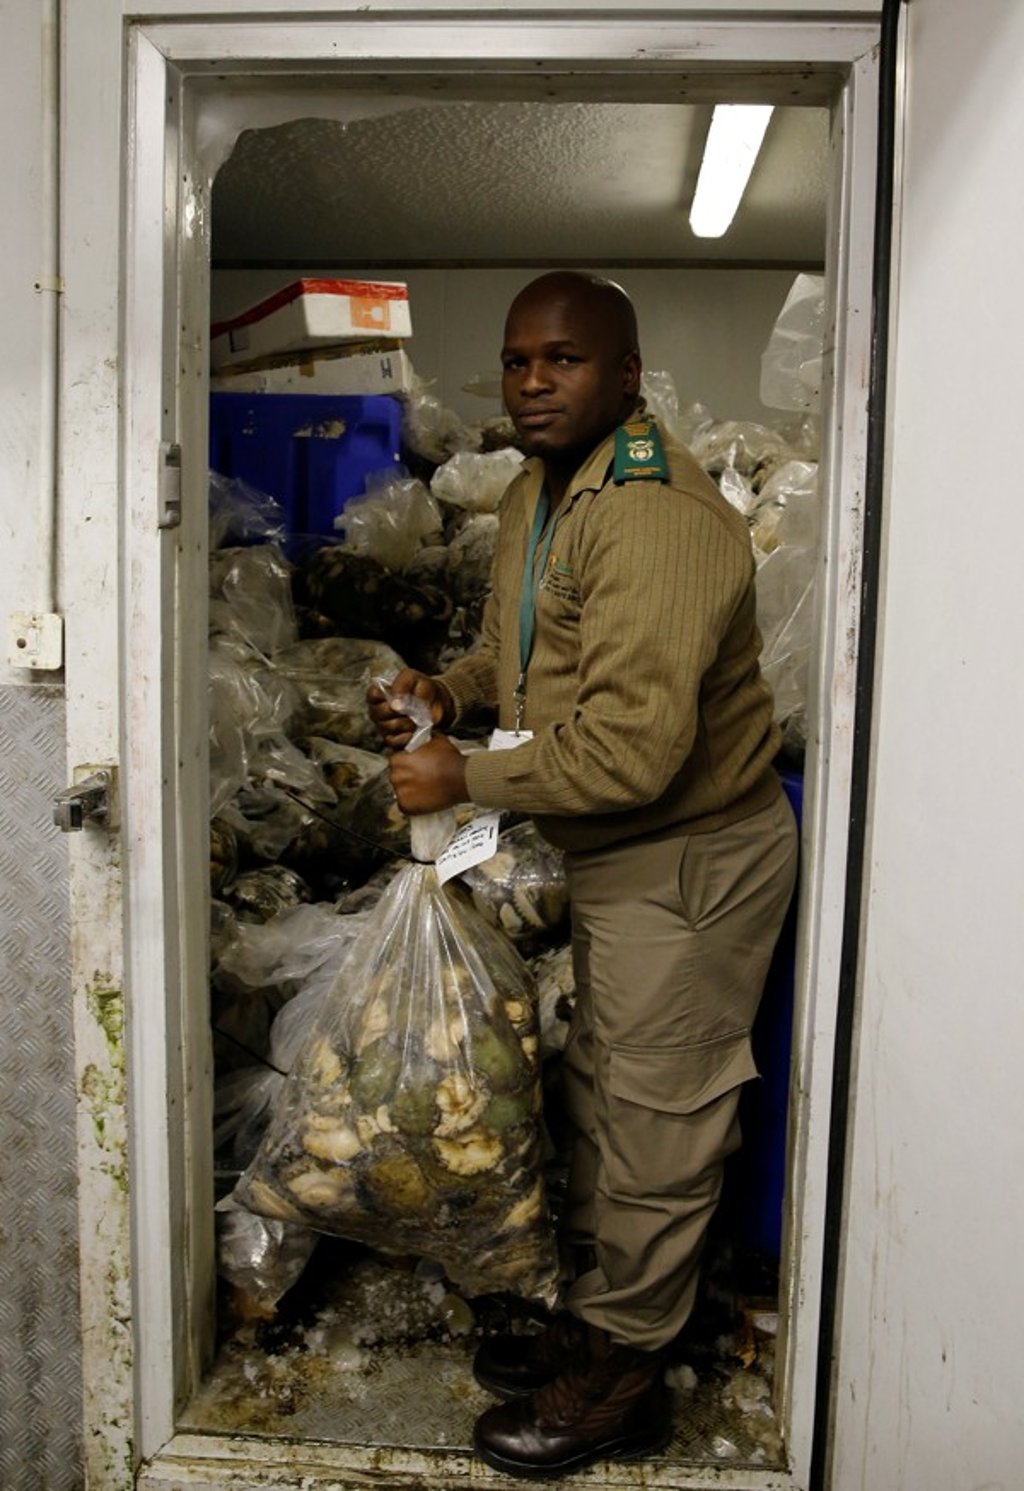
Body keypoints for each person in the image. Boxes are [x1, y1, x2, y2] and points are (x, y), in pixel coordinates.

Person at [367, 270, 798, 1477]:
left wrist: (464, 784)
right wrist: (450, 692)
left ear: (624, 373)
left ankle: (626, 1378)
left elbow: (632, 749)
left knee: (660, 1116)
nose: (532, 383)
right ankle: (615, 1310)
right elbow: (527, 654)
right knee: (605, 1092)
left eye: (561, 361)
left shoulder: (653, 515)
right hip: (616, 856)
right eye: (515, 362)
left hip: (688, 857)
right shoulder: (539, 490)